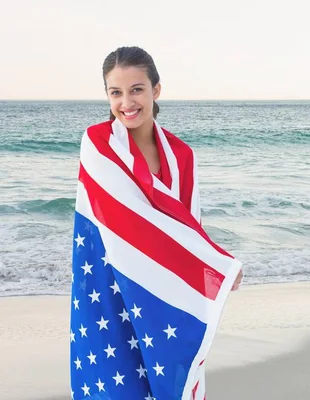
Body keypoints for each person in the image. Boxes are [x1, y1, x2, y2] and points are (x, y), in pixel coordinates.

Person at [69, 46, 243, 400]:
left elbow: (187, 227)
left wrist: (211, 263)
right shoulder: (98, 143)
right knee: (114, 378)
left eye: (136, 89)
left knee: (168, 373)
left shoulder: (182, 156)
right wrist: (219, 262)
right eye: (115, 92)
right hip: (109, 280)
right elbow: (135, 220)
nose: (126, 102)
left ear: (156, 90)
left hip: (163, 285)